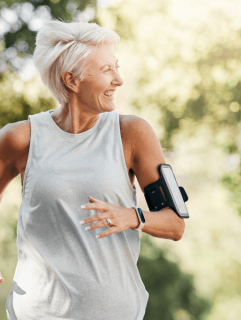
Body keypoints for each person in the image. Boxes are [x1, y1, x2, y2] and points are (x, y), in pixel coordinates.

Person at [0, 21, 185, 319]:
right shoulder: (21, 138)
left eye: (117, 66)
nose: (119, 80)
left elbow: (175, 224)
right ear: (71, 80)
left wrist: (133, 216)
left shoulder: (133, 133)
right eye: (106, 70)